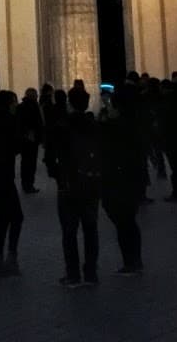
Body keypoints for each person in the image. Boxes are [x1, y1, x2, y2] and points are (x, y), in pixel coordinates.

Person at [51, 83, 103, 287]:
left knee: (69, 232)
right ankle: (91, 273)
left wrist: (57, 175)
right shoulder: (95, 125)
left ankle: (72, 274)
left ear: (70, 104)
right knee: (91, 229)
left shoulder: (62, 126)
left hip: (68, 185)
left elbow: (53, 155)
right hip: (91, 183)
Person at [99, 82, 146, 274]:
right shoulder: (135, 122)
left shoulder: (117, 126)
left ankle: (131, 261)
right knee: (128, 221)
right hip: (132, 177)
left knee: (122, 220)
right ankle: (134, 260)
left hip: (118, 178)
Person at [0, 89, 25, 277]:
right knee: (16, 217)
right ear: (8, 103)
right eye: (14, 101)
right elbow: (14, 146)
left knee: (4, 217)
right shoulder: (8, 121)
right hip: (3, 175)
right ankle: (11, 257)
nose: (16, 104)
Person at [16, 88, 43, 194]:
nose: (37, 96)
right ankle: (28, 184)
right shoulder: (33, 106)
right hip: (30, 138)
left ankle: (26, 184)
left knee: (26, 162)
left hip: (26, 139)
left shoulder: (21, 107)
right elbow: (36, 122)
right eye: (35, 94)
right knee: (30, 163)